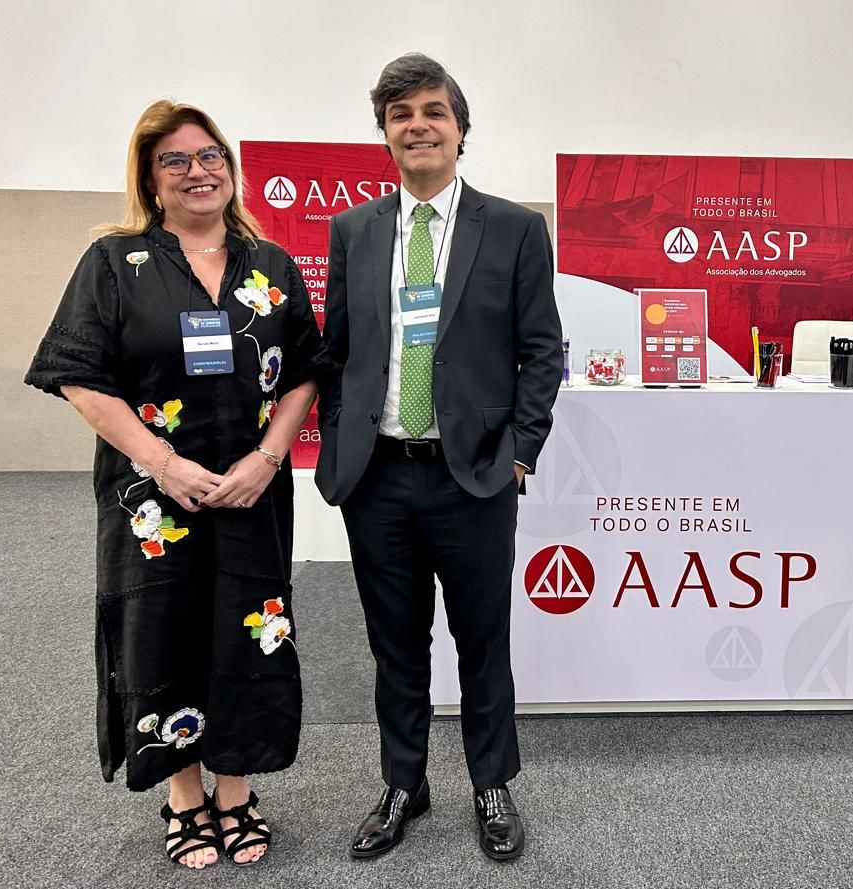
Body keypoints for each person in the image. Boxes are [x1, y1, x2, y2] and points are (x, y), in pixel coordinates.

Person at [25, 100, 327, 868]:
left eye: (210, 155)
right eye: (176, 160)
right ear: (151, 177)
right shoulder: (114, 263)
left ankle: (236, 787)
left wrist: (268, 458)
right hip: (152, 500)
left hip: (251, 490)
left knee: (246, 627)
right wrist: (162, 462)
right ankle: (185, 793)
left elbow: (305, 371)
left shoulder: (271, 264)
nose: (198, 171)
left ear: (230, 167)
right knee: (161, 631)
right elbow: (79, 376)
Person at [316, 52, 562, 862]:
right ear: (385, 135)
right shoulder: (354, 231)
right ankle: (404, 783)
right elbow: (336, 352)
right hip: (379, 474)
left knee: (483, 638)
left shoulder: (515, 229)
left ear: (460, 130)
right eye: (400, 114)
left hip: (476, 473)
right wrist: (342, 439)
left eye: (432, 111)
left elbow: (540, 352)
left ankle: (492, 782)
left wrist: (519, 452)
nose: (416, 125)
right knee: (395, 642)